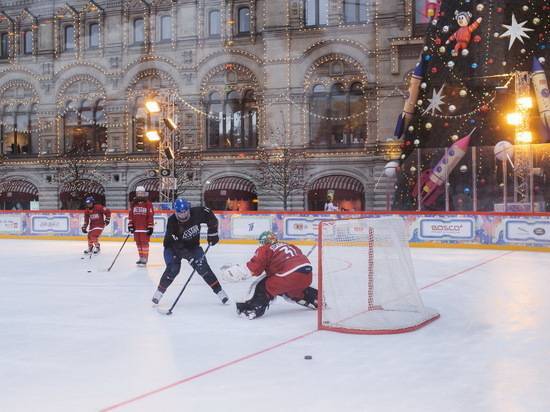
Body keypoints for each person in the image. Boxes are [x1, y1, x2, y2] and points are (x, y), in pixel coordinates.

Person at [222, 231, 318, 319]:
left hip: (290, 273)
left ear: (265, 241)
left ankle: (252, 310)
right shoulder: (291, 246)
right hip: (307, 273)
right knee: (286, 288)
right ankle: (315, 298)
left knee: (263, 285)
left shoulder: (265, 248)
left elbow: (254, 268)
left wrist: (234, 272)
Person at [151, 198, 229, 305]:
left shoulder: (197, 212)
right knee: (173, 269)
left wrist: (212, 233)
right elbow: (176, 245)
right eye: (180, 212)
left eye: (185, 211)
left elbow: (210, 215)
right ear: (175, 212)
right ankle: (159, 292)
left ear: (188, 209)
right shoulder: (172, 222)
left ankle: (219, 291)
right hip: (173, 248)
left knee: (202, 266)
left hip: (193, 246)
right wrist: (190, 258)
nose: (183, 215)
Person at [128, 186, 155, 266]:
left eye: (141, 193)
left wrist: (150, 226)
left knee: (144, 243)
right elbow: (131, 215)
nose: (140, 194)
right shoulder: (133, 204)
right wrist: (130, 225)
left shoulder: (148, 204)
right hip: (136, 228)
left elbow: (150, 215)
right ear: (136, 193)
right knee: (138, 243)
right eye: (138, 193)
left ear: (144, 194)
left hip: (144, 228)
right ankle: (141, 257)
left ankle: (145, 259)